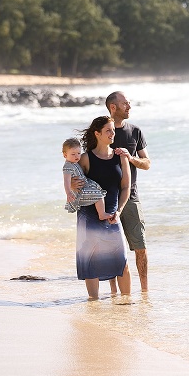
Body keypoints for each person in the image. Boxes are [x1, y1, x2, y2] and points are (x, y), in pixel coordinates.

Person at [75, 115, 132, 299]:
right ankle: (93, 302)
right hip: (89, 216)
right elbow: (73, 184)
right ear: (97, 133)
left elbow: (125, 187)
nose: (112, 133)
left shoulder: (120, 157)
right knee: (91, 259)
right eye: (108, 130)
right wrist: (74, 187)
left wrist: (119, 210)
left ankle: (126, 301)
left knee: (121, 259)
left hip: (113, 214)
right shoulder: (85, 158)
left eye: (113, 130)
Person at [106, 91, 151, 292]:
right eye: (125, 104)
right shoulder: (100, 131)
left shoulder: (135, 131)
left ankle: (144, 292)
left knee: (140, 247)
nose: (129, 107)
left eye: (129, 103)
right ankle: (114, 293)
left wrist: (131, 158)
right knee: (112, 249)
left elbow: (147, 163)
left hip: (132, 196)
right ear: (113, 107)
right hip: (107, 199)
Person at [61, 137, 108, 219]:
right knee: (99, 195)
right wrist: (68, 193)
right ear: (65, 155)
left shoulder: (74, 163)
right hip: (80, 191)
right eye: (73, 154)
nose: (77, 156)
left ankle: (102, 212)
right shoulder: (67, 166)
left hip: (85, 185)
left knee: (98, 190)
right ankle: (102, 214)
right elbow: (66, 181)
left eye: (79, 153)